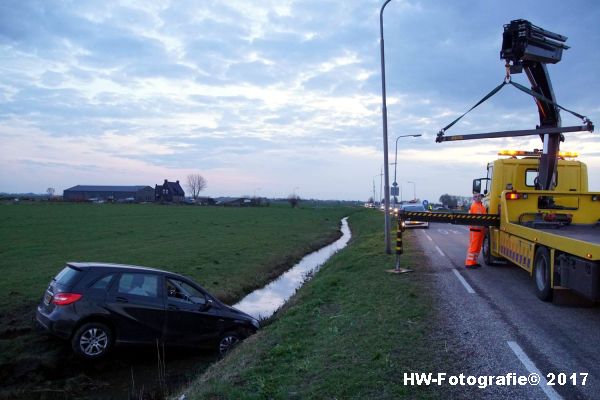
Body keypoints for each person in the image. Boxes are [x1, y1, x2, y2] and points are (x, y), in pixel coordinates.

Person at [465, 193, 487, 269]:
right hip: (475, 229)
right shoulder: (474, 206)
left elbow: (484, 218)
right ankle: (469, 263)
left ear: (481, 197)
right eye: (476, 196)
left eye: (479, 196)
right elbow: (471, 218)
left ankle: (474, 262)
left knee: (478, 247)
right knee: (473, 246)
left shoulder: (482, 207)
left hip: (480, 229)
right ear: (474, 198)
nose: (478, 197)